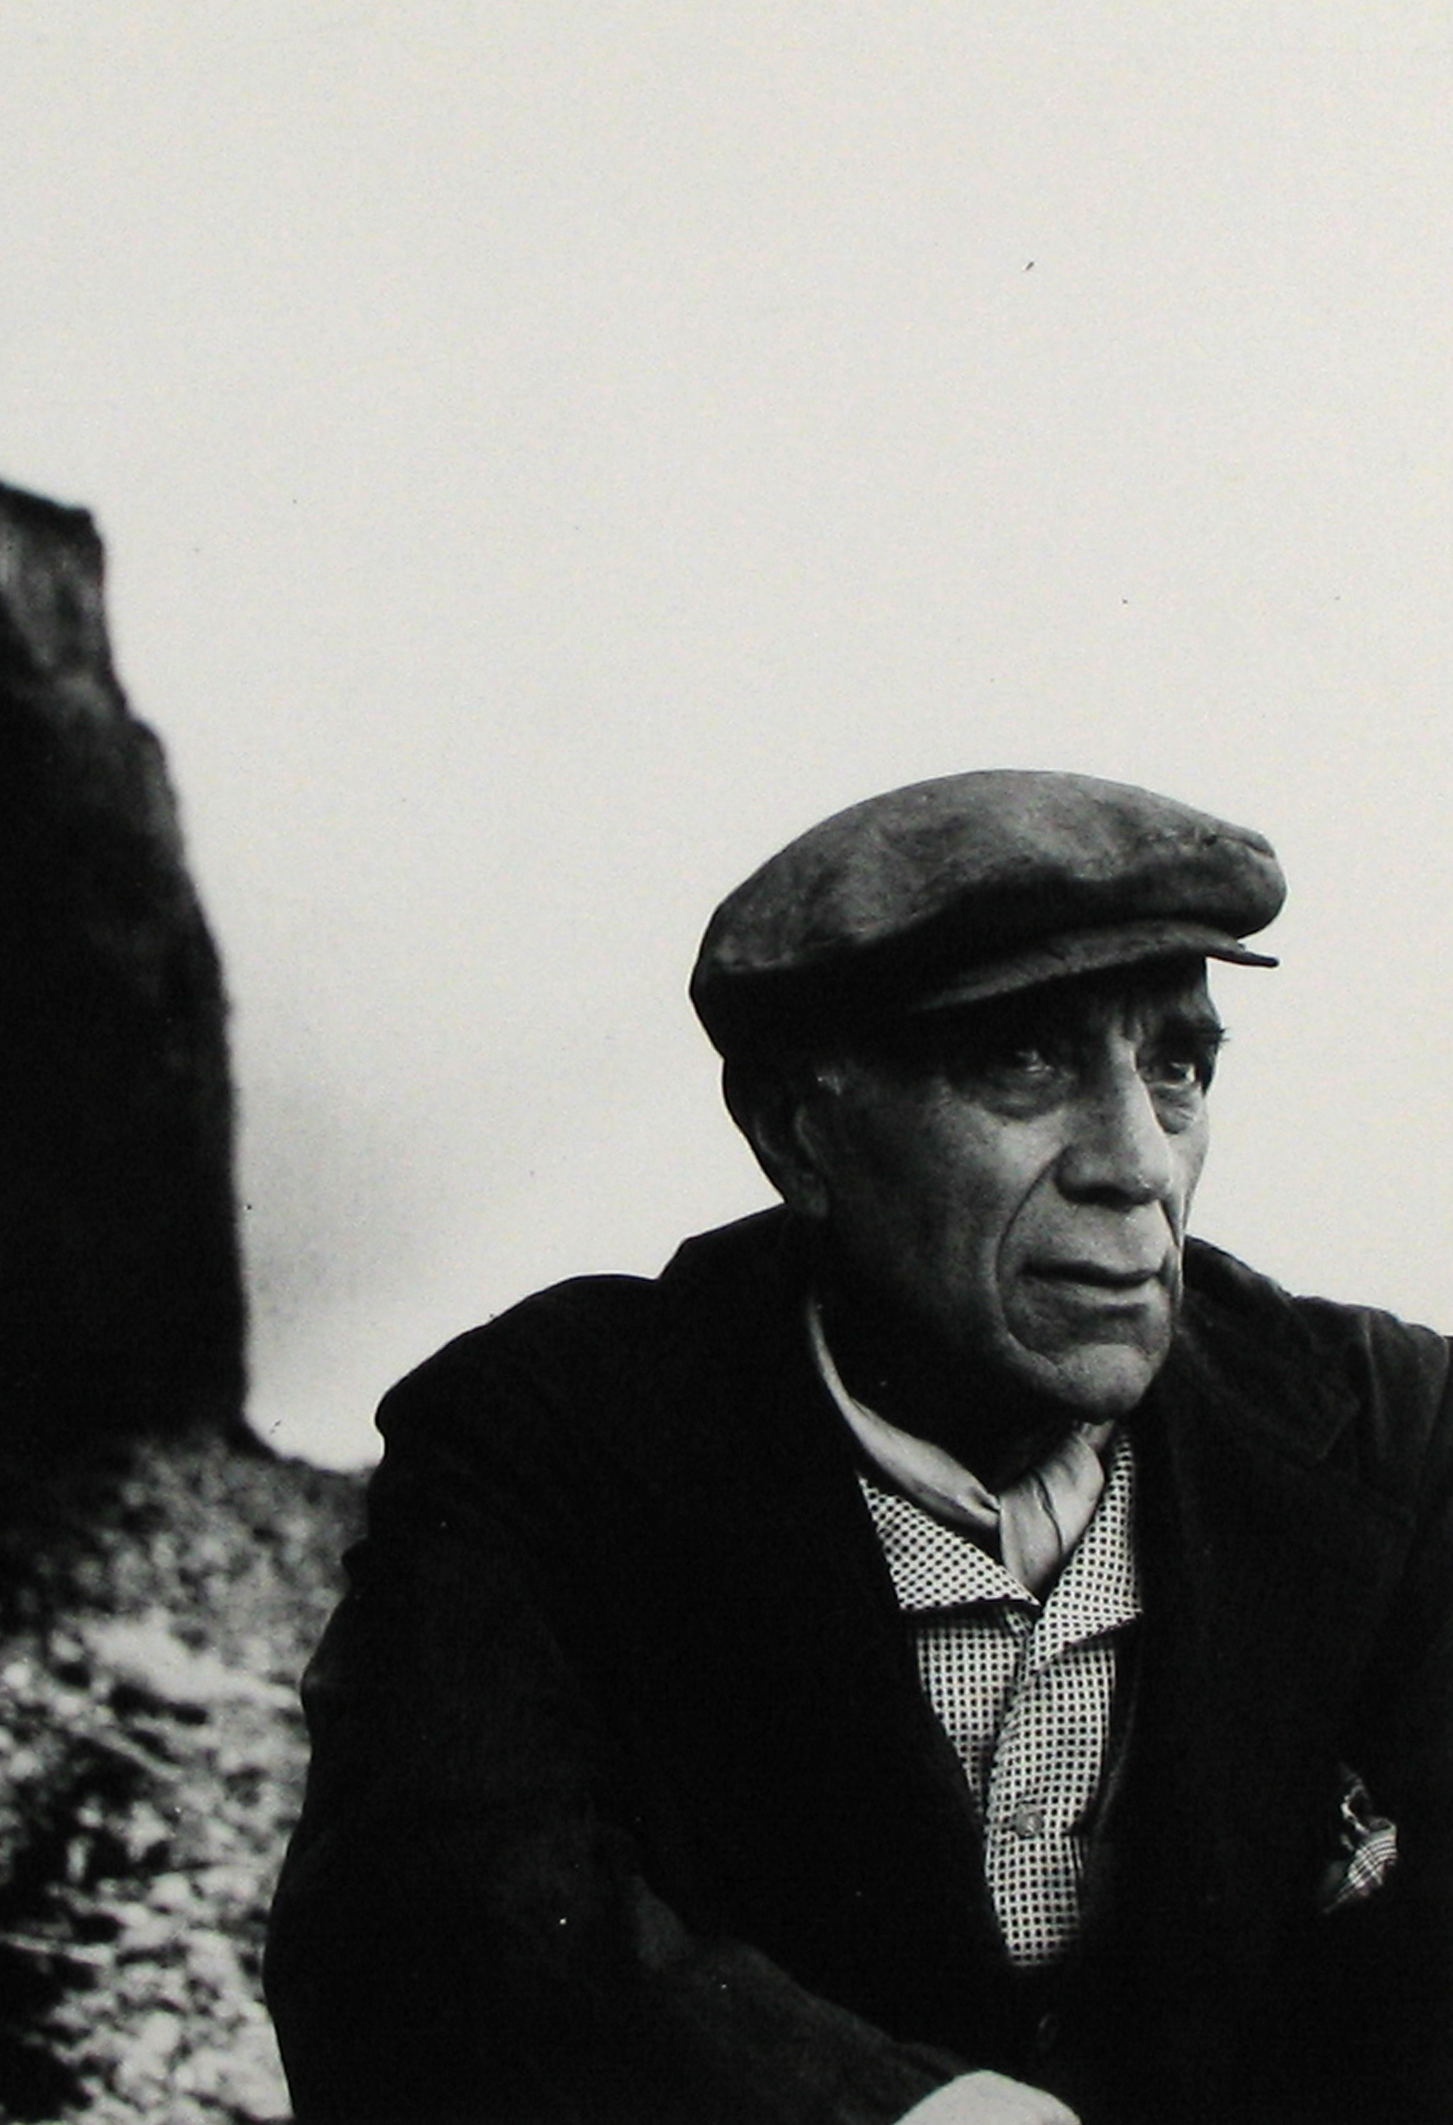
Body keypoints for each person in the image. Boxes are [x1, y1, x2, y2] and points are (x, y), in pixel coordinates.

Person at [265, 770, 1453, 2125]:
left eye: (1175, 1065)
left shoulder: (1388, 1436)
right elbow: (415, 1939)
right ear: (796, 1131)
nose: (1137, 1162)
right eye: (1023, 1061)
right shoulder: (545, 1444)